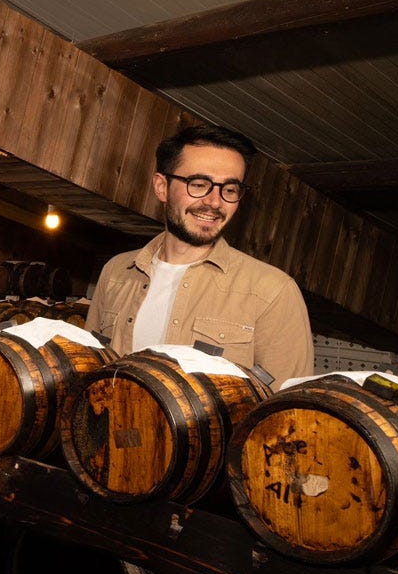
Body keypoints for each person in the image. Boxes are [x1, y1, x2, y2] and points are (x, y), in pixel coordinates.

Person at [85, 124, 313, 388]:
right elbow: (91, 374)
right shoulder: (116, 272)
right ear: (162, 187)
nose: (215, 202)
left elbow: (288, 416)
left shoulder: (273, 292)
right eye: (199, 184)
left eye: (229, 189)